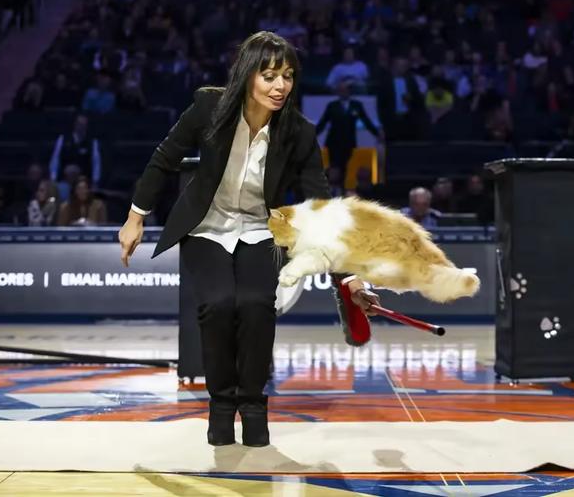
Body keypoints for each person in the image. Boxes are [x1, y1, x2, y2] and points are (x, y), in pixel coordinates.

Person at [118, 32, 380, 448]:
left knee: (258, 306)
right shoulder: (210, 107)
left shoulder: (299, 131)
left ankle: (254, 408)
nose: (281, 86)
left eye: (288, 76)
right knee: (219, 305)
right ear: (247, 76)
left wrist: (350, 280)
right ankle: (221, 407)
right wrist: (135, 218)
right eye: (270, 75)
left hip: (261, 230)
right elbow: (164, 158)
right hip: (206, 226)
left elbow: (322, 207)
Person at [315, 79, 382, 179]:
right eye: (340, 90)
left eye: (345, 90)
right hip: (333, 142)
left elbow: (366, 121)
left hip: (349, 142)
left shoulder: (357, 105)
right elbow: (322, 123)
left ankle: (342, 191)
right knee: (334, 168)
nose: (343, 92)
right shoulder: (332, 106)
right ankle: (332, 190)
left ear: (349, 91)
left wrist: (377, 134)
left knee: (344, 168)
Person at [48, 114, 102, 188]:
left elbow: (96, 163)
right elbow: (55, 159)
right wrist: (53, 178)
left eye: (84, 124)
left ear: (87, 126)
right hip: (64, 179)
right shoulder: (63, 139)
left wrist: (95, 180)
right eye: (79, 124)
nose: (81, 127)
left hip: (84, 180)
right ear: (75, 124)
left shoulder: (92, 142)